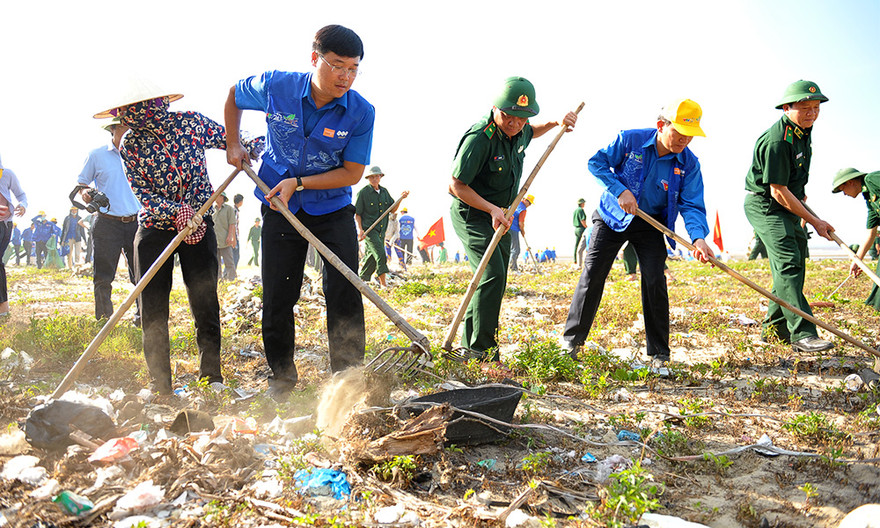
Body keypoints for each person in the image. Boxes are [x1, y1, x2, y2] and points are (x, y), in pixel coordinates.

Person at [225, 24, 373, 399]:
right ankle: (281, 380)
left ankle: (348, 378)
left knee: (343, 289)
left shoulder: (360, 112)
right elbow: (233, 96)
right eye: (338, 65)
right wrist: (233, 143)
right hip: (279, 205)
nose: (345, 76)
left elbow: (352, 172)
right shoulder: (277, 87)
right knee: (278, 292)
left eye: (353, 68)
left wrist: (301, 183)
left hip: (332, 207)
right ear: (315, 59)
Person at [96, 78, 263, 395]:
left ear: (159, 103)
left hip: (200, 224)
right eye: (130, 112)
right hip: (155, 229)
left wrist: (249, 145)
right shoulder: (130, 144)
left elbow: (231, 139)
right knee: (153, 309)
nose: (138, 115)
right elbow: (143, 195)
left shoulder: (191, 123)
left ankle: (211, 378)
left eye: (142, 108)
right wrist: (175, 212)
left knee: (205, 302)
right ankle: (161, 387)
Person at [561, 98, 712, 369]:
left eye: (690, 136)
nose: (684, 141)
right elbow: (597, 163)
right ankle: (571, 342)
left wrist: (698, 238)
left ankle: (659, 353)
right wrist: (621, 191)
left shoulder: (689, 164)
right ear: (661, 126)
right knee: (593, 273)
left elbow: (692, 204)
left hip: (652, 222)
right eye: (679, 133)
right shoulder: (630, 140)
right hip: (613, 215)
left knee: (655, 280)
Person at [449, 76, 577, 359]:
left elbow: (533, 131)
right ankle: (482, 353)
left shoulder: (519, 131)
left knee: (494, 276)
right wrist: (492, 209)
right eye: (509, 117)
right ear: (496, 108)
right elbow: (456, 186)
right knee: (491, 273)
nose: (515, 124)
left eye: (521, 118)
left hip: (501, 216)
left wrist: (556, 122)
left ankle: (471, 347)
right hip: (473, 213)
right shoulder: (479, 139)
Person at [744, 80, 834, 353]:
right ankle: (803, 334)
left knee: (795, 262)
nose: (811, 113)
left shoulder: (803, 133)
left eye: (816, 108)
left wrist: (803, 206)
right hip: (766, 205)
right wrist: (814, 221)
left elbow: (793, 183)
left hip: (788, 203)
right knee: (788, 263)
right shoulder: (777, 140)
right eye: (804, 108)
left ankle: (774, 329)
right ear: (787, 107)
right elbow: (777, 191)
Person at [76, 117, 142, 322]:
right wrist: (86, 193)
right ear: (113, 129)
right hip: (106, 223)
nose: (130, 130)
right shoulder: (97, 156)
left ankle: (142, 317)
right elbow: (82, 185)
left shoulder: (141, 155)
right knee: (103, 277)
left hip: (136, 223)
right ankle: (104, 321)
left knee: (141, 275)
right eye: (125, 126)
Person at [831, 168, 880, 311]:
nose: (844, 194)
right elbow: (870, 233)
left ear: (851, 182)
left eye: (843, 189)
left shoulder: (872, 179)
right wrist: (857, 260)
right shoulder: (870, 199)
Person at [354, 166, 407, 287]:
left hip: (381, 230)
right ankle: (384, 284)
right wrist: (360, 230)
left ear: (380, 177)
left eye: (377, 176)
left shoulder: (384, 192)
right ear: (368, 178)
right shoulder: (363, 193)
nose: (374, 179)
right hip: (369, 230)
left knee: (372, 256)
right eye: (372, 177)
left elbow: (392, 209)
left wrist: (401, 199)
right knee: (380, 253)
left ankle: (362, 279)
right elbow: (358, 213)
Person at [0, 154, 27, 317]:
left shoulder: (7, 174)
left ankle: (3, 308)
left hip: (3, 225)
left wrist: (22, 206)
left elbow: (21, 195)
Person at [213, 192, 237, 281]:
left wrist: (230, 236)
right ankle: (219, 280)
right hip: (215, 240)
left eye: (217, 196)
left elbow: (232, 224)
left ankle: (231, 279)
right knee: (216, 263)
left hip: (225, 240)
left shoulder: (229, 209)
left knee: (229, 262)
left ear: (222, 197)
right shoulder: (213, 209)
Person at [509, 195, 533, 271]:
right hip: (513, 229)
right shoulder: (523, 209)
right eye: (530, 204)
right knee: (516, 249)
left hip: (506, 226)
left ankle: (512, 266)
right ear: (527, 201)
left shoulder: (516, 203)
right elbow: (521, 223)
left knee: (510, 248)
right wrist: (523, 231)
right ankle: (512, 268)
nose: (529, 206)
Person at [573, 197, 588, 266]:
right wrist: (586, 227)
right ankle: (584, 261)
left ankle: (575, 260)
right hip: (581, 229)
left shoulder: (575, 211)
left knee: (576, 245)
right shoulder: (580, 210)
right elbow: (582, 220)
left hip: (576, 229)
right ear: (581, 203)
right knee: (584, 245)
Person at [232, 193, 244, 268]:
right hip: (234, 236)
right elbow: (233, 224)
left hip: (235, 235)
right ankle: (230, 275)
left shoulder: (235, 210)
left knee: (234, 256)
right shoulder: (234, 211)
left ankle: (229, 274)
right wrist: (234, 238)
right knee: (235, 256)